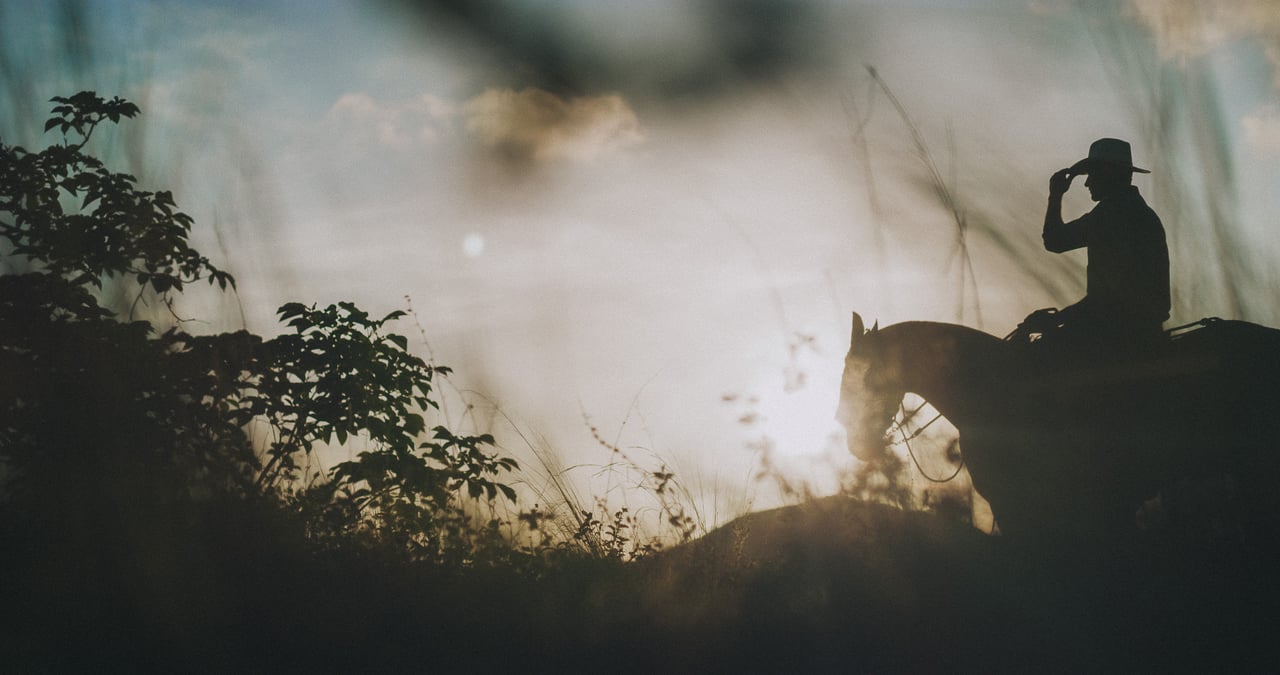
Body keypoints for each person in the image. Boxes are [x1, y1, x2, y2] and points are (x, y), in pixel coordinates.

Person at [1019, 138, 1170, 357]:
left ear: (1109, 174)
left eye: (1092, 174)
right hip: (1146, 332)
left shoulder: (1110, 215)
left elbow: (1054, 241)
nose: (1087, 183)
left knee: (1035, 359)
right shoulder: (1144, 215)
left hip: (1115, 338)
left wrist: (1056, 195)